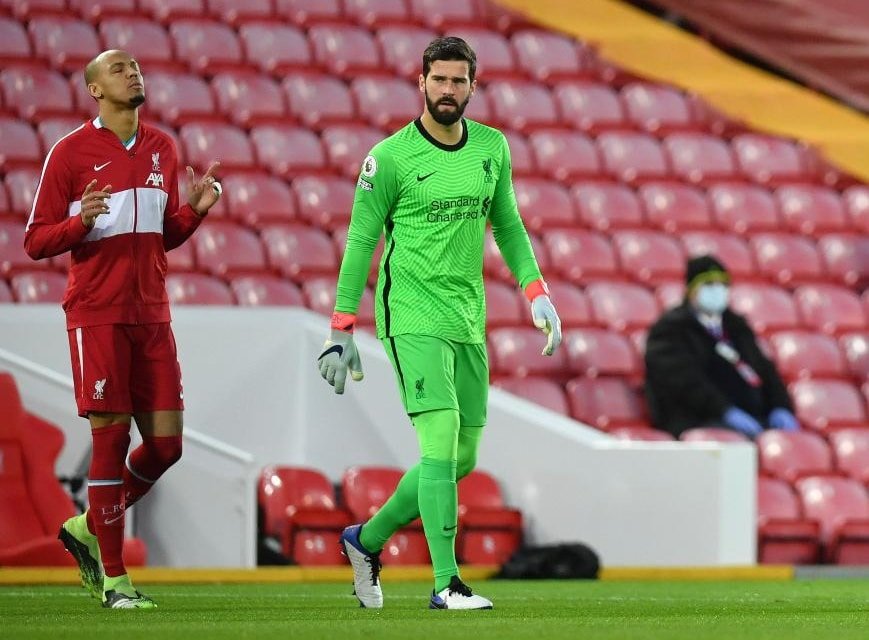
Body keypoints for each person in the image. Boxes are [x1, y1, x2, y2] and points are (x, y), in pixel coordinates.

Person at [317, 36, 562, 610]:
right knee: (439, 443)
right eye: (439, 79)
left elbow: (509, 226)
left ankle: (365, 539)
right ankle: (446, 583)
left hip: (467, 317)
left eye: (459, 80)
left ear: (473, 86)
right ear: (421, 82)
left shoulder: (492, 149)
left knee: (463, 459)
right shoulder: (390, 158)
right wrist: (341, 326)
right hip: (411, 313)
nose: (448, 89)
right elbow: (360, 243)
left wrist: (537, 292)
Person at [24, 50, 222, 609]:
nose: (133, 73)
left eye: (136, 68)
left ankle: (88, 525)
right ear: (94, 90)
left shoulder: (163, 146)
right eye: (118, 69)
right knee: (111, 439)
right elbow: (35, 240)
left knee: (166, 446)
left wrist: (195, 213)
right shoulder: (69, 153)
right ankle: (116, 580)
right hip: (98, 314)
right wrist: (79, 221)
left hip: (153, 315)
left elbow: (159, 237)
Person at [644, 254, 800, 439]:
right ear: (691, 290)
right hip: (698, 421)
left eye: (723, 285)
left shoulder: (737, 327)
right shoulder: (671, 330)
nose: (717, 291)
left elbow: (765, 370)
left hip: (753, 419)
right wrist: (725, 411)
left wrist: (780, 406)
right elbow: (684, 382)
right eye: (708, 285)